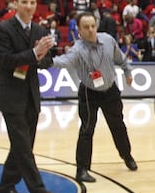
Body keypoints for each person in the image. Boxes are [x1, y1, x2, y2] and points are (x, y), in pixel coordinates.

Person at [0, 0, 62, 193]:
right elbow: (5, 61)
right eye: (24, 2)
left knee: (22, 146)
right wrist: (34, 53)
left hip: (31, 94)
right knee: (23, 146)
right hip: (10, 95)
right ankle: (40, 192)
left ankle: (5, 187)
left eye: (32, 2)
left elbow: (47, 60)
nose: (29, 6)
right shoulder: (2, 29)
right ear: (16, 4)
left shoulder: (40, 30)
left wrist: (40, 56)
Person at [55, 11, 136, 183]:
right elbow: (64, 61)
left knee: (118, 126)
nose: (91, 30)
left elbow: (121, 59)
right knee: (86, 131)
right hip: (89, 93)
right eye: (86, 27)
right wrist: (44, 60)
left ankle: (127, 155)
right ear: (79, 31)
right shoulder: (77, 49)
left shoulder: (107, 40)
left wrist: (128, 72)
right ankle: (82, 169)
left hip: (110, 91)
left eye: (93, 26)